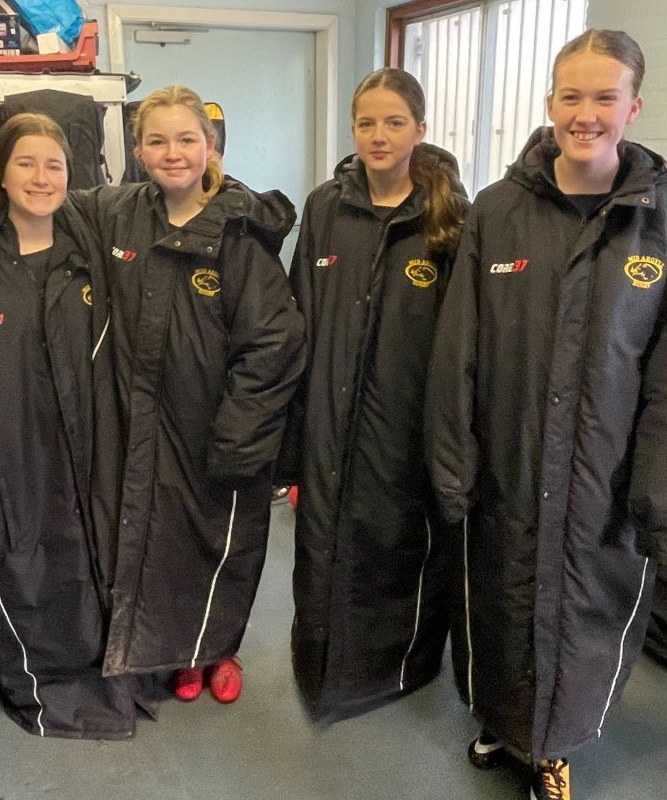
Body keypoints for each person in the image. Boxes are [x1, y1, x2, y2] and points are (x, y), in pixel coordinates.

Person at [0, 85, 305, 705]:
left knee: (224, 539)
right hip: (140, 416)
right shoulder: (115, 211)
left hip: (218, 421)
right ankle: (178, 655)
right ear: (137, 150)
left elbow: (275, 341)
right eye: (157, 140)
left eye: (186, 139)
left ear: (209, 147)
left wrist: (241, 431)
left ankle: (219, 649)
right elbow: (37, 190)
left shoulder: (239, 232)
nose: (173, 153)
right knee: (159, 539)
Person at [426, 29, 667, 800]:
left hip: (602, 474)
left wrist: (660, 502)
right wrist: (453, 463)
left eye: (605, 97)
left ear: (634, 106)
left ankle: (553, 742)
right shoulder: (498, 211)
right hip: (507, 464)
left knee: (582, 614)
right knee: (500, 601)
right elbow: (459, 351)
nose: (586, 114)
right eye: (571, 96)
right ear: (550, 101)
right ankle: (499, 717)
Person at [0, 113, 154, 738]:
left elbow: (170, 187)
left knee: (100, 548)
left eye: (53, 163)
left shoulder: (92, 245)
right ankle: (42, 668)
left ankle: (115, 660)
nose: (41, 176)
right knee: (31, 556)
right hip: (16, 450)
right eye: (25, 162)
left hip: (93, 440)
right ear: (0, 172)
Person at [277, 68, 469, 722]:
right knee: (323, 544)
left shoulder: (449, 219)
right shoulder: (326, 206)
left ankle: (398, 668)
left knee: (395, 547)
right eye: (366, 122)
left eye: (393, 122)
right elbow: (300, 316)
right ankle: (321, 663)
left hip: (407, 424)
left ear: (420, 128)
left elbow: (463, 340)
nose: (378, 136)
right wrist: (292, 438)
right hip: (330, 420)